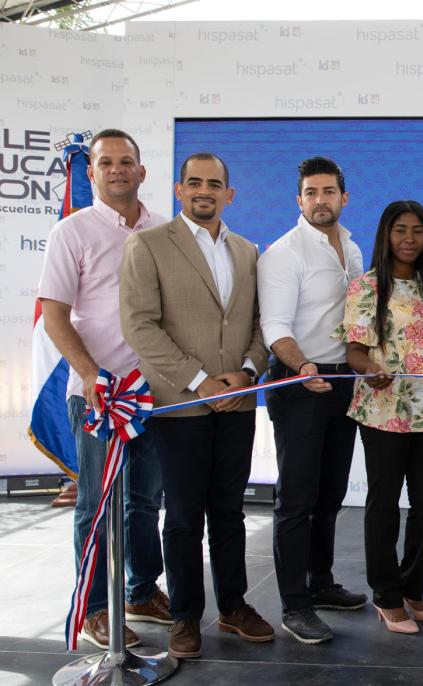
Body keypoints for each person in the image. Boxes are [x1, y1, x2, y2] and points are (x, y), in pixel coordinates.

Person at [120, 152, 273, 659]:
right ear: (179, 190)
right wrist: (202, 381)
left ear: (229, 194)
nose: (204, 190)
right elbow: (140, 325)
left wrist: (248, 373)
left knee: (229, 512)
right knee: (184, 517)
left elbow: (259, 326)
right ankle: (185, 617)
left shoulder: (249, 251)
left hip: (238, 403)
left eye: (215, 183)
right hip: (181, 405)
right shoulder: (148, 245)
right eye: (194, 182)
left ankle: (233, 606)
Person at [38, 128, 169, 648]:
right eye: (106, 162)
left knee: (145, 500)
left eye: (127, 161)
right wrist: (91, 374)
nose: (117, 170)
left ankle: (140, 590)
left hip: (153, 394)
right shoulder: (71, 232)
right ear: (90, 173)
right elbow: (54, 316)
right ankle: (95, 608)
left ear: (142, 172)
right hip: (97, 395)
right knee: (95, 503)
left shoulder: (165, 231)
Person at [257, 156, 368, 645]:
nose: (320, 200)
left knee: (330, 494)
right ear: (298, 200)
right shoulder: (283, 254)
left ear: (344, 198)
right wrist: (302, 367)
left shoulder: (353, 247)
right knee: (297, 500)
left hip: (344, 382)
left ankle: (320, 583)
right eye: (310, 193)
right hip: (299, 381)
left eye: (328, 192)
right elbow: (274, 326)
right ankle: (295, 605)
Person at [336, 200, 423, 635]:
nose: (409, 239)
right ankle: (386, 595)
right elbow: (354, 351)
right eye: (400, 230)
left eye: (417, 231)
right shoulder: (366, 287)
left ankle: (411, 587)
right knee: (384, 505)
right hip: (385, 411)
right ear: (386, 235)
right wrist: (370, 370)